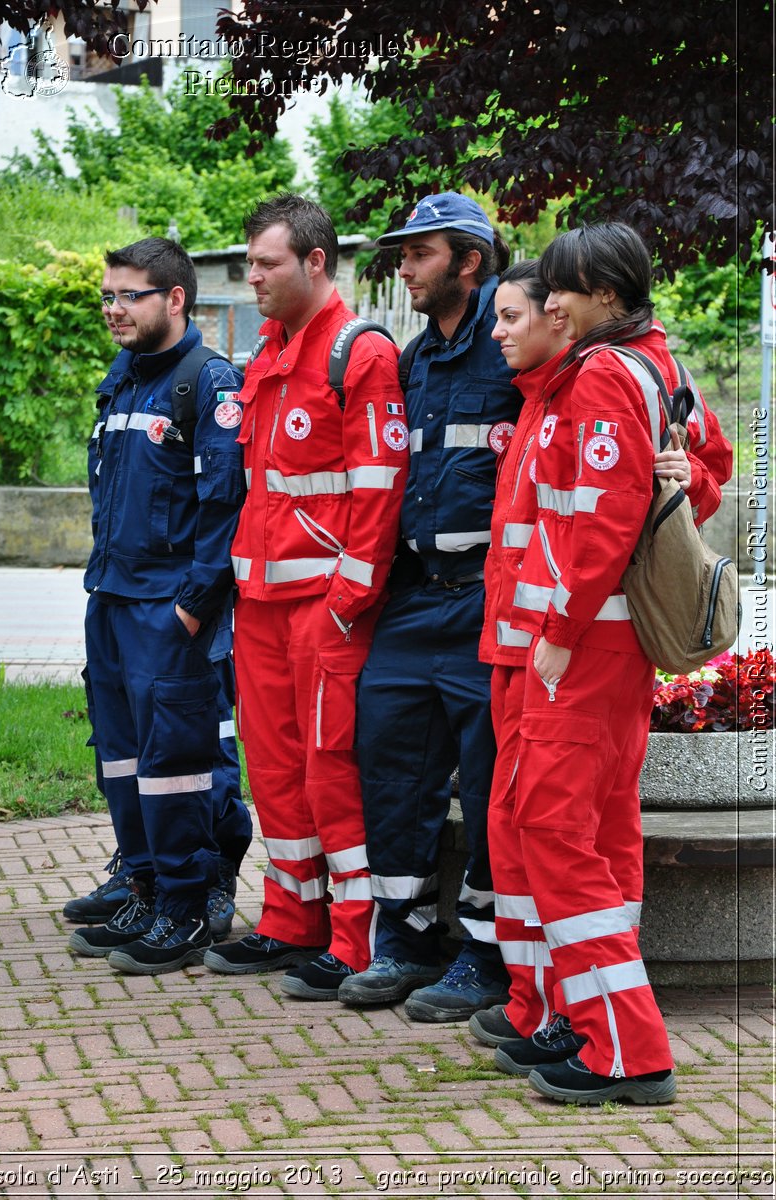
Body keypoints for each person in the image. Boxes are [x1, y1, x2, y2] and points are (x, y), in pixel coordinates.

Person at [479, 223, 733, 1104]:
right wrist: (684, 483)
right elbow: (708, 466)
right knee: (600, 831)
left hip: (581, 644)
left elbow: (599, 515)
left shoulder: (599, 374)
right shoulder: (659, 365)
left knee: (551, 828)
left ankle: (622, 1045)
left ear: (608, 298)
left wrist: (555, 625)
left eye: (562, 291)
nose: (548, 304)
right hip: (608, 646)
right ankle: (583, 1021)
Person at [204, 194, 408, 999]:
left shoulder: (359, 354)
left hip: (327, 609)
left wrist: (344, 604)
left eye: (266, 263)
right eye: (249, 262)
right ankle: (291, 921)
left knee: (331, 772)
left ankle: (353, 943)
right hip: (259, 605)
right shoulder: (268, 353)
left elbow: (378, 491)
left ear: (315, 262)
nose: (251, 276)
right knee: (276, 769)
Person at [339, 192, 518, 1022]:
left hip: (487, 598)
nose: (402, 267)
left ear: (469, 261)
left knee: (487, 790)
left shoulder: (515, 347)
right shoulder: (413, 361)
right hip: (413, 602)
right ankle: (405, 939)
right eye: (401, 254)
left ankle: (482, 959)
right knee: (390, 768)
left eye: (419, 253)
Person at [67, 236, 252, 974]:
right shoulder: (123, 379)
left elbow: (226, 507)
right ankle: (142, 887)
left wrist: (193, 605)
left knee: (178, 763)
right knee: (120, 760)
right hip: (110, 599)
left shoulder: (206, 383)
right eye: (107, 296)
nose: (113, 308)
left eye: (128, 295)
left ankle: (188, 903)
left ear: (174, 298)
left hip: (169, 610)